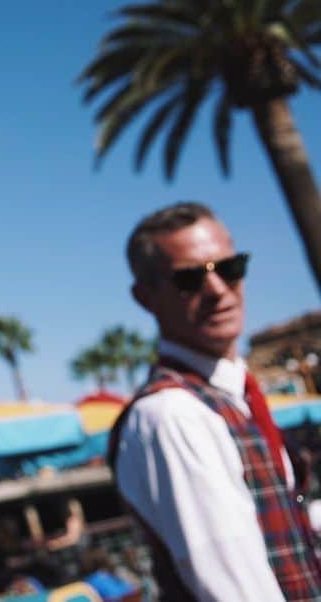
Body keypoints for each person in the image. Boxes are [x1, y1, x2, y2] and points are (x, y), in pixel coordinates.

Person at [109, 202, 321, 601]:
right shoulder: (173, 416)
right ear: (145, 297)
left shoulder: (230, 399)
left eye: (229, 268)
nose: (218, 289)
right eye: (190, 279)